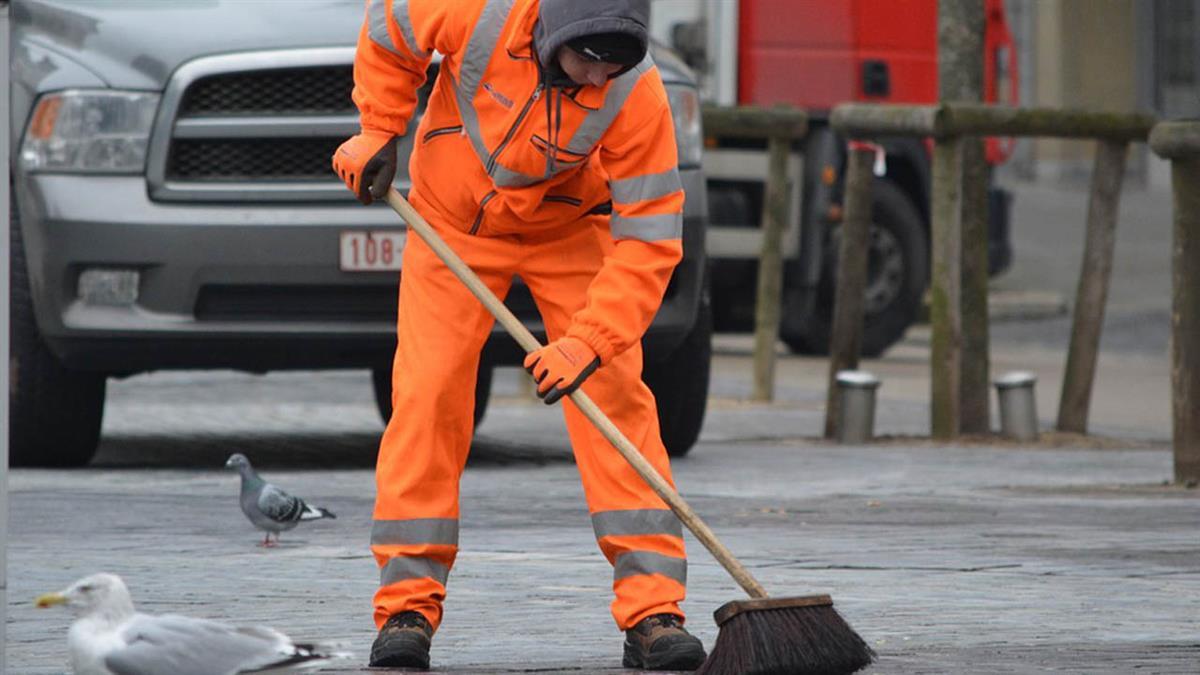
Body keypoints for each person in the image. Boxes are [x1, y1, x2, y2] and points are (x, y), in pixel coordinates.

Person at [331, 0, 704, 670]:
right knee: (429, 396)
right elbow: (389, 30)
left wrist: (588, 342)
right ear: (552, 29)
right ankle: (407, 608)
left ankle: (654, 612)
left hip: (569, 229)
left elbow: (650, 238)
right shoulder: (476, 10)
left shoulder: (635, 91)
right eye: (587, 60)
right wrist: (378, 129)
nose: (598, 80)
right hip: (452, 225)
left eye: (615, 63)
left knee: (613, 394)